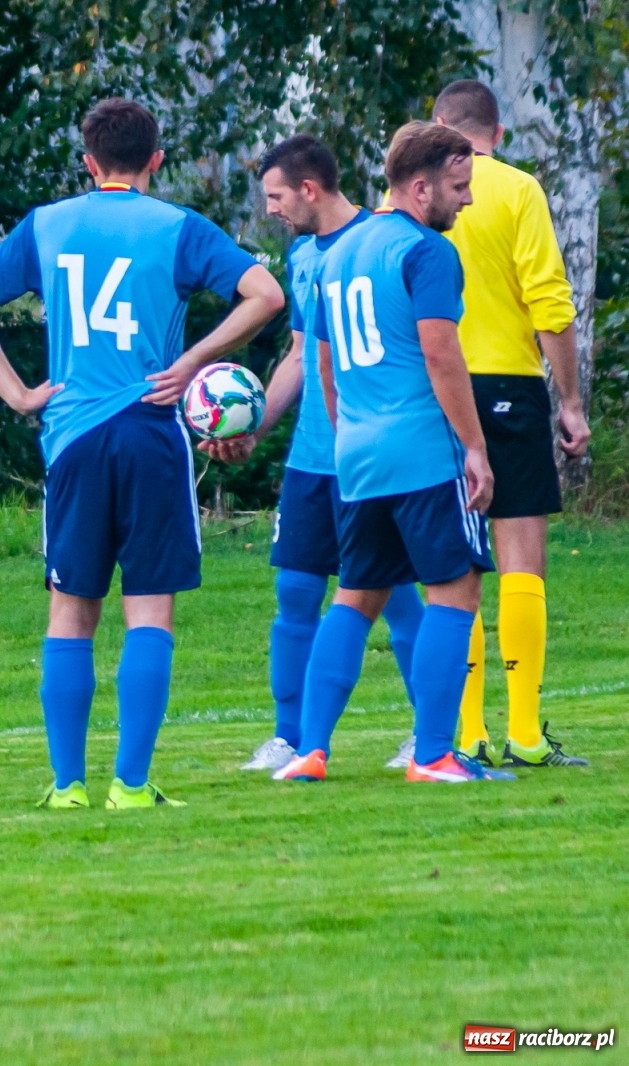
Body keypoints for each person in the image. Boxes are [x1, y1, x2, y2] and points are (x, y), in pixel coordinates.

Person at [0, 97, 284, 810]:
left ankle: (68, 786)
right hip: (151, 429)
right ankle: (130, 785)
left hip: (72, 437)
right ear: (156, 161)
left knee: (70, 613)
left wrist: (15, 393)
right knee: (149, 613)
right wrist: (193, 359)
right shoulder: (177, 227)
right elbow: (265, 294)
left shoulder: (48, 224)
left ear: (88, 160)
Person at [271, 122, 515, 785]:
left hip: (356, 453)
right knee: (456, 592)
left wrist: (351, 425)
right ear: (419, 186)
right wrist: (475, 447)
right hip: (421, 452)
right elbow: (442, 355)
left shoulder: (339, 252)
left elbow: (322, 364)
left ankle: (310, 751)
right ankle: (434, 755)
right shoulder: (424, 251)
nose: (465, 201)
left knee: (355, 596)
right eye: (459, 188)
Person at [204, 136, 425, 774]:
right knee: (296, 591)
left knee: (398, 595)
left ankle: (427, 731)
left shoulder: (388, 243)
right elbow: (301, 356)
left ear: (308, 189)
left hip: (372, 459)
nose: (269, 209)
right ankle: (291, 735)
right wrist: (254, 428)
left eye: (274, 196)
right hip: (310, 459)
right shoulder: (301, 256)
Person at [431, 79, 590, 769]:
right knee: (521, 556)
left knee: (454, 559)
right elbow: (549, 302)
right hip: (507, 383)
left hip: (434, 388)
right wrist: (571, 401)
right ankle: (524, 733)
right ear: (497, 132)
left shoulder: (404, 195)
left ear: (440, 127)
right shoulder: (519, 189)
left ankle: (467, 732)